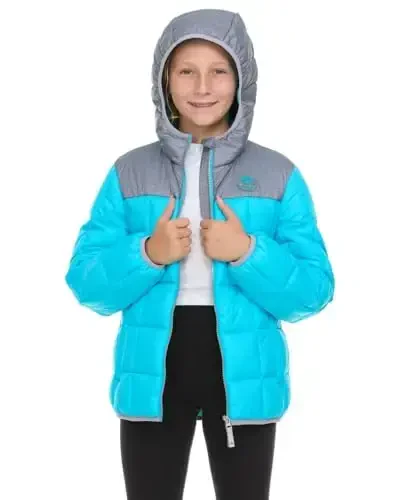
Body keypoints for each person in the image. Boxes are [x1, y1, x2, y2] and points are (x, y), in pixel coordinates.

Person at [64, 8, 335, 500]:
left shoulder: (278, 174)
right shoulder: (129, 172)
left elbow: (313, 291)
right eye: (187, 70)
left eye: (219, 70)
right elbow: (87, 282)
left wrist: (248, 252)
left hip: (243, 375)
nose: (203, 86)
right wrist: (148, 253)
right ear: (164, 80)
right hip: (152, 371)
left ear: (243, 78)